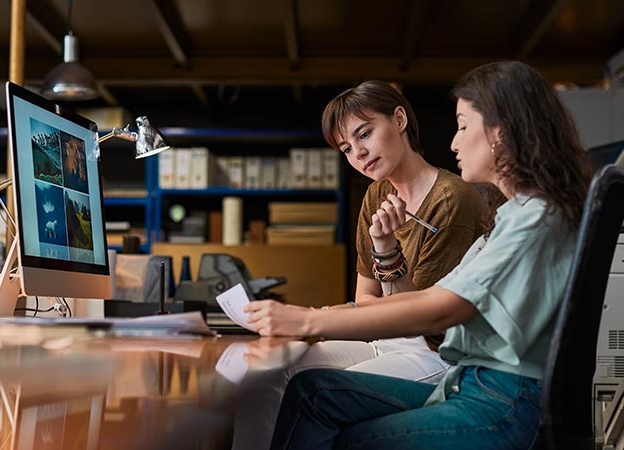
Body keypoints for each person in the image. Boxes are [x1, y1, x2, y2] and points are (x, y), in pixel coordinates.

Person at [246, 60, 593, 450]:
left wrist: (310, 321)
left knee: (340, 426)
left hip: (499, 398)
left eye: (463, 126)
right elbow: (416, 302)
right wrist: (320, 312)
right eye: (347, 147)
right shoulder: (513, 216)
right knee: (311, 390)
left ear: (502, 131)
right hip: (475, 383)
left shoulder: (533, 218)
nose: (454, 142)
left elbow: (438, 309)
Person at [231, 80, 485, 450]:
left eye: (365, 134)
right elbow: (365, 299)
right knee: (265, 374)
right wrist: (382, 267)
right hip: (384, 340)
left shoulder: (451, 201)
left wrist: (386, 252)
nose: (359, 154)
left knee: (311, 393)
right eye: (347, 148)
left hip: (437, 355)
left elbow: (430, 323)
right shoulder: (377, 194)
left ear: (399, 119)